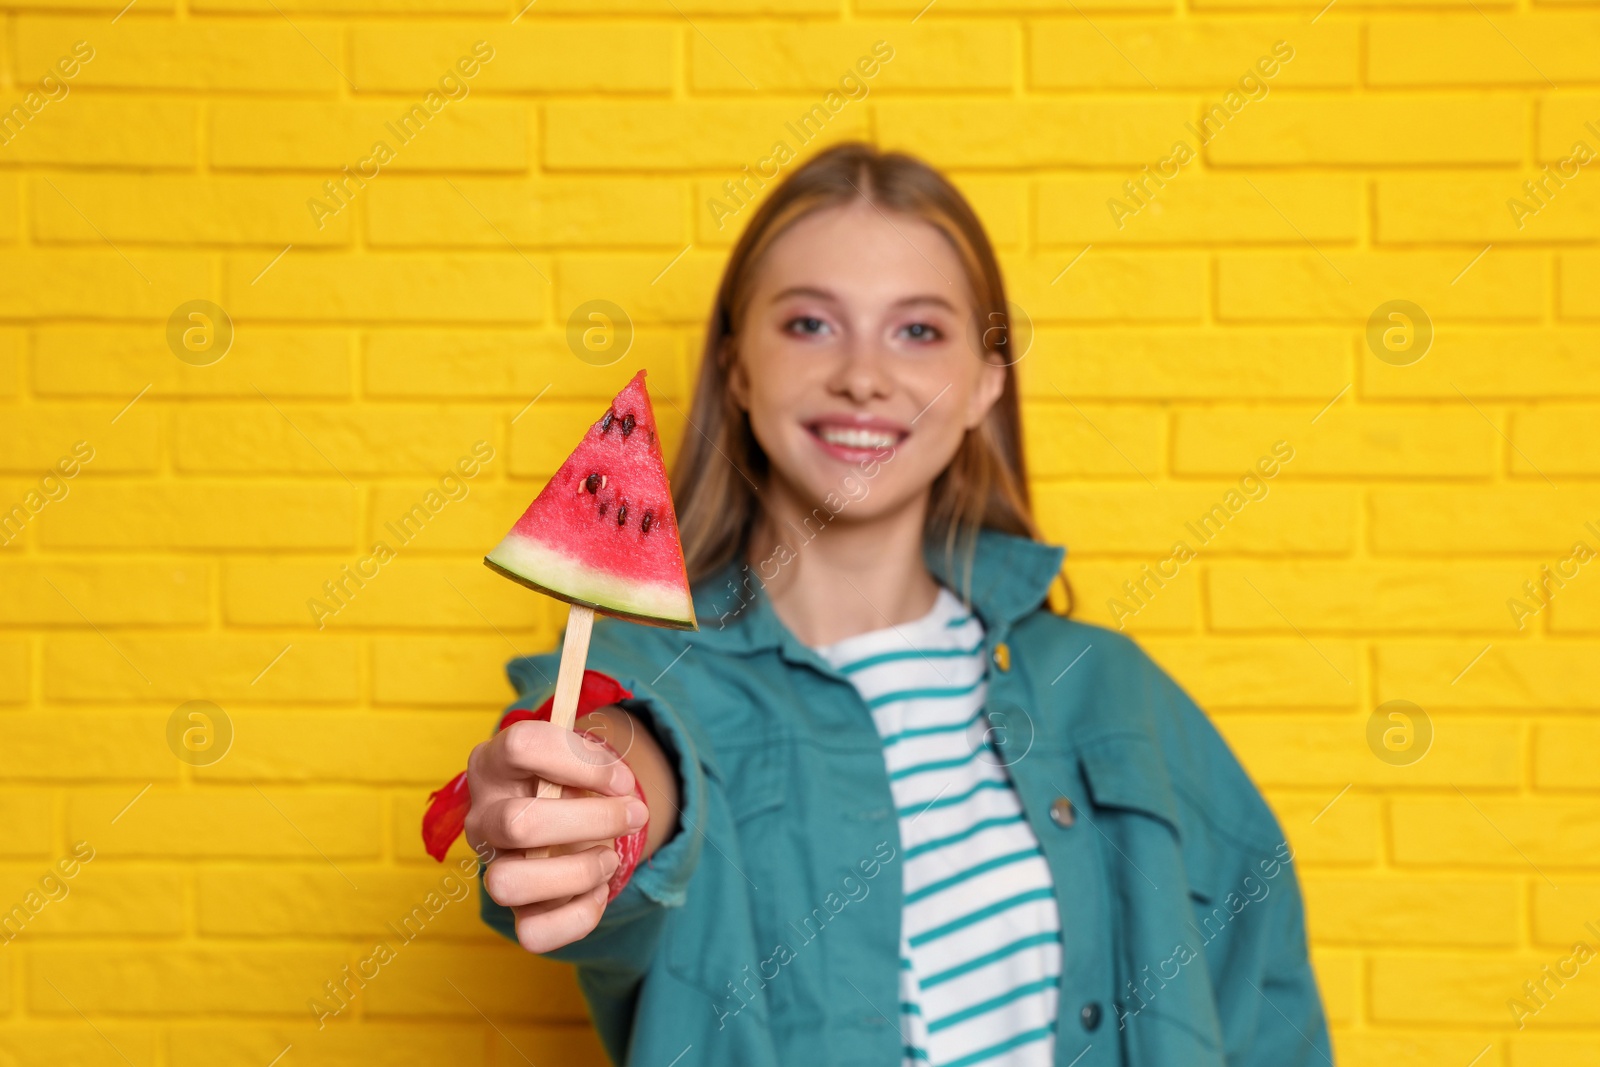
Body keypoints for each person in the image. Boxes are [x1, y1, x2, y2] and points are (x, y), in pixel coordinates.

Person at [463, 142, 1331, 1067]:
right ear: (737, 367)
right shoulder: (648, 681)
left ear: (987, 381)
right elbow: (635, 761)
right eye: (809, 324)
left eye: (918, 331)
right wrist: (603, 804)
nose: (865, 377)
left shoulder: (1112, 690)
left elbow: (1264, 998)